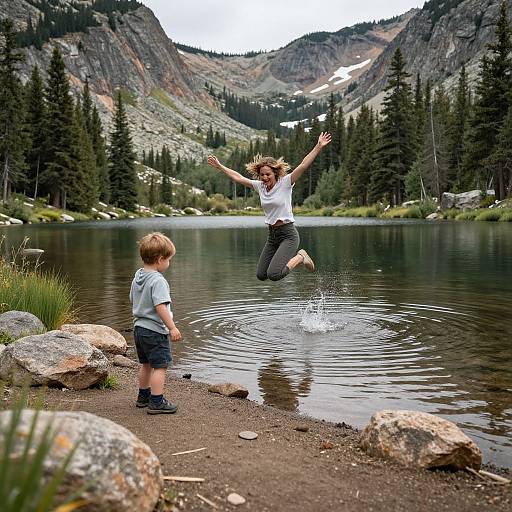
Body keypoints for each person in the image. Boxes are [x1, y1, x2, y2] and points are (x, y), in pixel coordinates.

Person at [207, 132, 331, 281]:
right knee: (261, 275)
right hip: (272, 236)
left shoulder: (286, 183)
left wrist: (318, 146)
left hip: (288, 235)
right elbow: (238, 177)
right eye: (262, 175)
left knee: (274, 274)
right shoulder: (260, 187)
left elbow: (303, 165)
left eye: (268, 174)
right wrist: (221, 167)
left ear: (275, 173)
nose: (265, 178)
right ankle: (297, 258)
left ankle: (300, 257)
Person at [129, 232, 182, 414]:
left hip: (139, 329)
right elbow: (161, 307)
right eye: (168, 259)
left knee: (146, 364)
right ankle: (157, 402)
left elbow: (132, 299)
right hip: (154, 331)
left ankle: (143, 396)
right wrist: (172, 327)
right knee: (160, 366)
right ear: (160, 259)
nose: (169, 263)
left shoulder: (138, 277)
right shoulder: (158, 281)